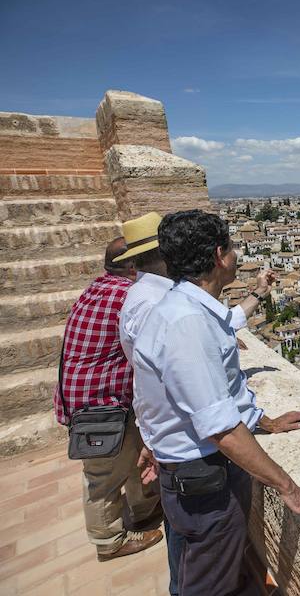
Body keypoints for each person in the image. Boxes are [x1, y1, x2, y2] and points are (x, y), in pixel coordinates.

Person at [131, 210, 300, 595]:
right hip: (205, 482)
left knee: (209, 570)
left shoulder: (183, 307)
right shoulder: (186, 323)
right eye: (232, 247)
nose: (237, 254)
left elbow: (165, 390)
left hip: (190, 475)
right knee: (207, 586)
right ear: (218, 256)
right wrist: (289, 488)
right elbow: (222, 428)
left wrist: (265, 422)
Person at [54, 238, 163, 561]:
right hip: (101, 402)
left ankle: (144, 511)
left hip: (92, 397)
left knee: (130, 453)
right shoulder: (127, 295)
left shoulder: (98, 288)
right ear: (132, 266)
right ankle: (109, 540)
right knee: (103, 476)